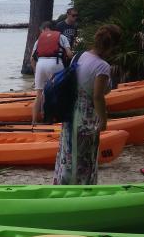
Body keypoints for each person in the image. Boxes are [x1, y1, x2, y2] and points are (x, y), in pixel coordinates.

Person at [53, 24, 120, 185]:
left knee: (68, 152)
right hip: (86, 116)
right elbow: (98, 96)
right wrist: (104, 121)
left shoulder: (80, 56)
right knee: (84, 156)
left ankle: (63, 184)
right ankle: (82, 189)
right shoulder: (102, 66)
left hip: (71, 111)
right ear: (112, 45)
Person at [30, 21, 74, 124]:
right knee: (59, 92)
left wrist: (36, 71)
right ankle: (59, 119)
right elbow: (69, 53)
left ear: (45, 29)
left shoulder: (39, 39)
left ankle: (34, 122)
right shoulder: (62, 37)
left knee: (39, 94)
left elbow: (32, 59)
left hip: (40, 64)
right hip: (55, 63)